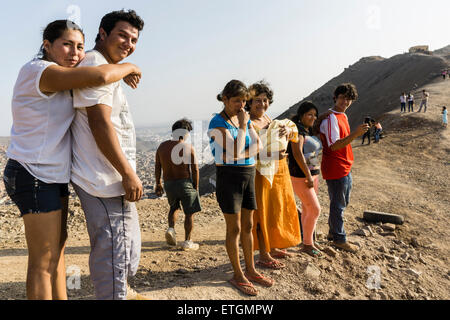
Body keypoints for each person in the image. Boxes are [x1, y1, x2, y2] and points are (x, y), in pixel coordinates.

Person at [2, 20, 141, 300]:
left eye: (79, 46)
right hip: (33, 173)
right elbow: (100, 77)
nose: (75, 53)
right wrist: (130, 68)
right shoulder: (39, 71)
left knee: (58, 251)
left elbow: (97, 75)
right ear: (47, 46)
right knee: (43, 261)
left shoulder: (64, 74)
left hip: (52, 175)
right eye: (66, 44)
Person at [70, 10, 149, 300]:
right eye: (122, 35)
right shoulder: (94, 62)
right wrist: (128, 172)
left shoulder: (106, 66)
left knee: (125, 250)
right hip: (103, 180)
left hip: (111, 179)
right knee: (114, 255)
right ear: (102, 33)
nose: (128, 43)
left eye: (134, 39)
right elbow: (100, 123)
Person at [208, 80, 273, 296]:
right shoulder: (218, 122)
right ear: (225, 98)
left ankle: (251, 269)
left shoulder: (240, 119)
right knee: (234, 228)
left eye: (244, 101)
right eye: (237, 101)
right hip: (229, 178)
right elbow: (236, 150)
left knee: (248, 226)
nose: (241, 105)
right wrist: (245, 128)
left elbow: (259, 147)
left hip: (247, 174)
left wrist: (239, 155)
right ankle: (238, 274)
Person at [246, 81, 301, 268]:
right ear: (249, 102)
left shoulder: (268, 118)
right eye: (257, 101)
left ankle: (274, 244)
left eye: (265, 100)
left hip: (279, 171)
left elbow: (281, 137)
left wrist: (285, 131)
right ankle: (263, 254)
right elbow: (248, 152)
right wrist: (273, 154)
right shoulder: (248, 123)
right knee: (262, 213)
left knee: (277, 209)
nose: (262, 104)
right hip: (261, 173)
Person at [318, 83, 369, 253]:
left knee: (342, 201)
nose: (345, 101)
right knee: (338, 204)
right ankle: (339, 239)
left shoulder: (342, 116)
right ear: (335, 97)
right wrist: (356, 134)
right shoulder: (332, 118)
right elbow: (333, 145)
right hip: (335, 166)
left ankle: (334, 233)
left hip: (344, 165)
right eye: (342, 97)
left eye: (348, 99)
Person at [155, 119, 201, 251]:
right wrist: (196, 187)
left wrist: (158, 183)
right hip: (185, 183)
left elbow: (158, 167)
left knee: (174, 207)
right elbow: (195, 169)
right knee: (189, 213)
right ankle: (187, 241)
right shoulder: (188, 147)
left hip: (169, 183)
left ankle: (171, 229)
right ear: (185, 133)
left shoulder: (162, 147)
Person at [288, 101, 323, 257]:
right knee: (315, 210)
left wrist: (314, 174)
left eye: (315, 115)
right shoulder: (298, 131)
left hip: (313, 174)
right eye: (310, 114)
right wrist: (308, 175)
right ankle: (308, 244)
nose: (313, 118)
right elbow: (297, 153)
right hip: (302, 176)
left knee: (308, 209)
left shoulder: (307, 130)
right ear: (301, 115)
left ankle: (308, 241)